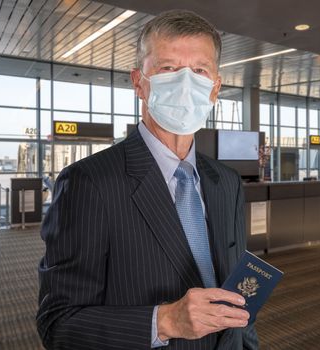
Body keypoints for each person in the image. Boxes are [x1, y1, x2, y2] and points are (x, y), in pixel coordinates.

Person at [37, 9, 258, 350]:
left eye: (199, 71)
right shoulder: (89, 183)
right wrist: (166, 322)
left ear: (215, 89)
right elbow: (58, 324)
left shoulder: (226, 182)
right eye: (168, 68)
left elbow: (238, 297)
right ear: (139, 82)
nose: (186, 83)